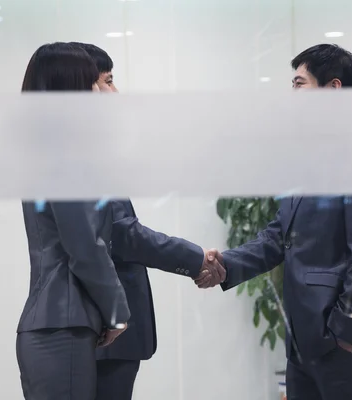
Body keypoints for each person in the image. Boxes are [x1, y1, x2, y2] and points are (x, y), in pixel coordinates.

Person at [200, 44, 352, 400]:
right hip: (303, 343)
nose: (291, 94)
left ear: (333, 89)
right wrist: (226, 265)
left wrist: (344, 333)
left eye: (298, 84)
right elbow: (280, 236)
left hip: (342, 344)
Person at [69, 42, 224, 400]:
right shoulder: (84, 153)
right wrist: (196, 258)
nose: (115, 91)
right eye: (108, 81)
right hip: (104, 325)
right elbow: (122, 234)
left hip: (101, 327)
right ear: (87, 88)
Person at [16, 42, 128, 400]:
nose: (102, 90)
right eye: (94, 82)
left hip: (60, 322)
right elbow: (84, 246)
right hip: (61, 325)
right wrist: (118, 312)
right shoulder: (63, 155)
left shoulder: (47, 149)